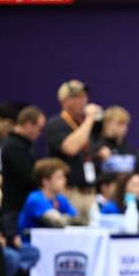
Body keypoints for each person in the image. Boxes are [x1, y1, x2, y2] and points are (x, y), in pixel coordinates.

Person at [45, 80, 103, 223]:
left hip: (89, 193)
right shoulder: (57, 123)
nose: (83, 101)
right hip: (69, 193)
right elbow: (70, 148)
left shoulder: (84, 126)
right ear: (65, 101)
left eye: (84, 96)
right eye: (77, 97)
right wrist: (89, 119)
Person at [1, 106, 45, 221]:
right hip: (16, 210)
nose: (40, 133)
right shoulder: (13, 146)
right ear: (28, 124)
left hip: (26, 207)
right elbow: (27, 177)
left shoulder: (28, 145)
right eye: (39, 128)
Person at [18, 158, 77, 237]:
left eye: (64, 177)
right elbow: (58, 222)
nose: (64, 181)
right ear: (45, 181)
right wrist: (67, 218)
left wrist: (68, 219)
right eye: (59, 177)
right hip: (31, 243)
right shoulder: (35, 199)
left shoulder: (60, 199)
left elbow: (75, 219)